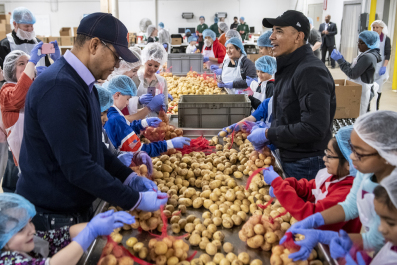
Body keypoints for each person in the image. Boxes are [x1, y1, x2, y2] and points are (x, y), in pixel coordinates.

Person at [17, 13, 168, 231]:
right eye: (116, 56)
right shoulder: (60, 88)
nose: (117, 65)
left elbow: (93, 146)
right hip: (52, 215)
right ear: (94, 45)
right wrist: (133, 199)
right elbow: (77, 166)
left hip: (70, 207)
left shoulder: (83, 84)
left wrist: (127, 177)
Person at [282, 111, 397, 261]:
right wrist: (316, 220)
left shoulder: (392, 191)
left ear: (387, 154)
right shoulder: (366, 172)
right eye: (352, 148)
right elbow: (350, 206)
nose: (351, 156)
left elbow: (376, 240)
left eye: (359, 153)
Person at [258, 10, 335, 180]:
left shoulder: (310, 71)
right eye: (272, 31)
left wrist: (268, 134)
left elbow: (314, 128)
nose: (271, 37)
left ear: (298, 37)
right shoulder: (290, 66)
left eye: (279, 31)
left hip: (305, 163)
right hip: (291, 155)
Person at [265, 125, 361, 234]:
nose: (324, 158)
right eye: (326, 153)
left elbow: (312, 216)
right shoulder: (336, 176)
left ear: (349, 163)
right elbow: (312, 187)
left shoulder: (346, 194)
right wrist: (289, 184)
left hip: (332, 246)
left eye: (330, 156)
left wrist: (279, 186)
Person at [0, 193, 135, 265]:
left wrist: (96, 224)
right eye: (20, 230)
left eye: (30, 222)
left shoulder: (31, 241)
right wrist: (91, 231)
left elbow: (64, 234)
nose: (32, 230)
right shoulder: (7, 261)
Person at [104, 75, 190, 156]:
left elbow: (125, 127)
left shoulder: (112, 112)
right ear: (117, 95)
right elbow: (138, 149)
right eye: (127, 99)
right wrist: (168, 144)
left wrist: (143, 123)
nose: (127, 103)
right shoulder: (115, 118)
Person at [329, 182, 397, 264]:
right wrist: (357, 255)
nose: (381, 228)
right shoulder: (392, 243)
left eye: (391, 223)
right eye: (380, 218)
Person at [331, 31, 381, 116]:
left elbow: (352, 74)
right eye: (358, 42)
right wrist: (343, 60)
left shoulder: (367, 57)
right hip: (360, 88)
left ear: (370, 43)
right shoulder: (366, 54)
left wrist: (340, 61)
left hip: (362, 91)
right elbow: (353, 67)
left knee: (359, 115)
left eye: (361, 43)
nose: (358, 45)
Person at [0, 7, 51, 72]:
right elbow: (3, 73)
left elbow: (47, 66)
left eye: (31, 26)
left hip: (39, 81)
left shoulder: (38, 43)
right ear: (15, 24)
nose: (30, 29)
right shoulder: (5, 45)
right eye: (26, 26)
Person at [131, 42, 169, 117]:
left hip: (154, 124)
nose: (152, 68)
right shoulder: (135, 78)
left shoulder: (162, 81)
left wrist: (161, 108)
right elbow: (126, 105)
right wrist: (138, 101)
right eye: (150, 64)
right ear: (144, 61)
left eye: (156, 66)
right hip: (137, 121)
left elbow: (166, 107)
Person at [371, 20, 391, 110]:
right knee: (368, 90)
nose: (375, 29)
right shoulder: (370, 37)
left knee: (378, 91)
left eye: (377, 27)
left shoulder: (386, 39)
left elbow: (387, 54)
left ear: (382, 28)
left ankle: (376, 109)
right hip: (370, 67)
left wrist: (384, 66)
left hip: (380, 69)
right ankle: (367, 110)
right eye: (374, 27)